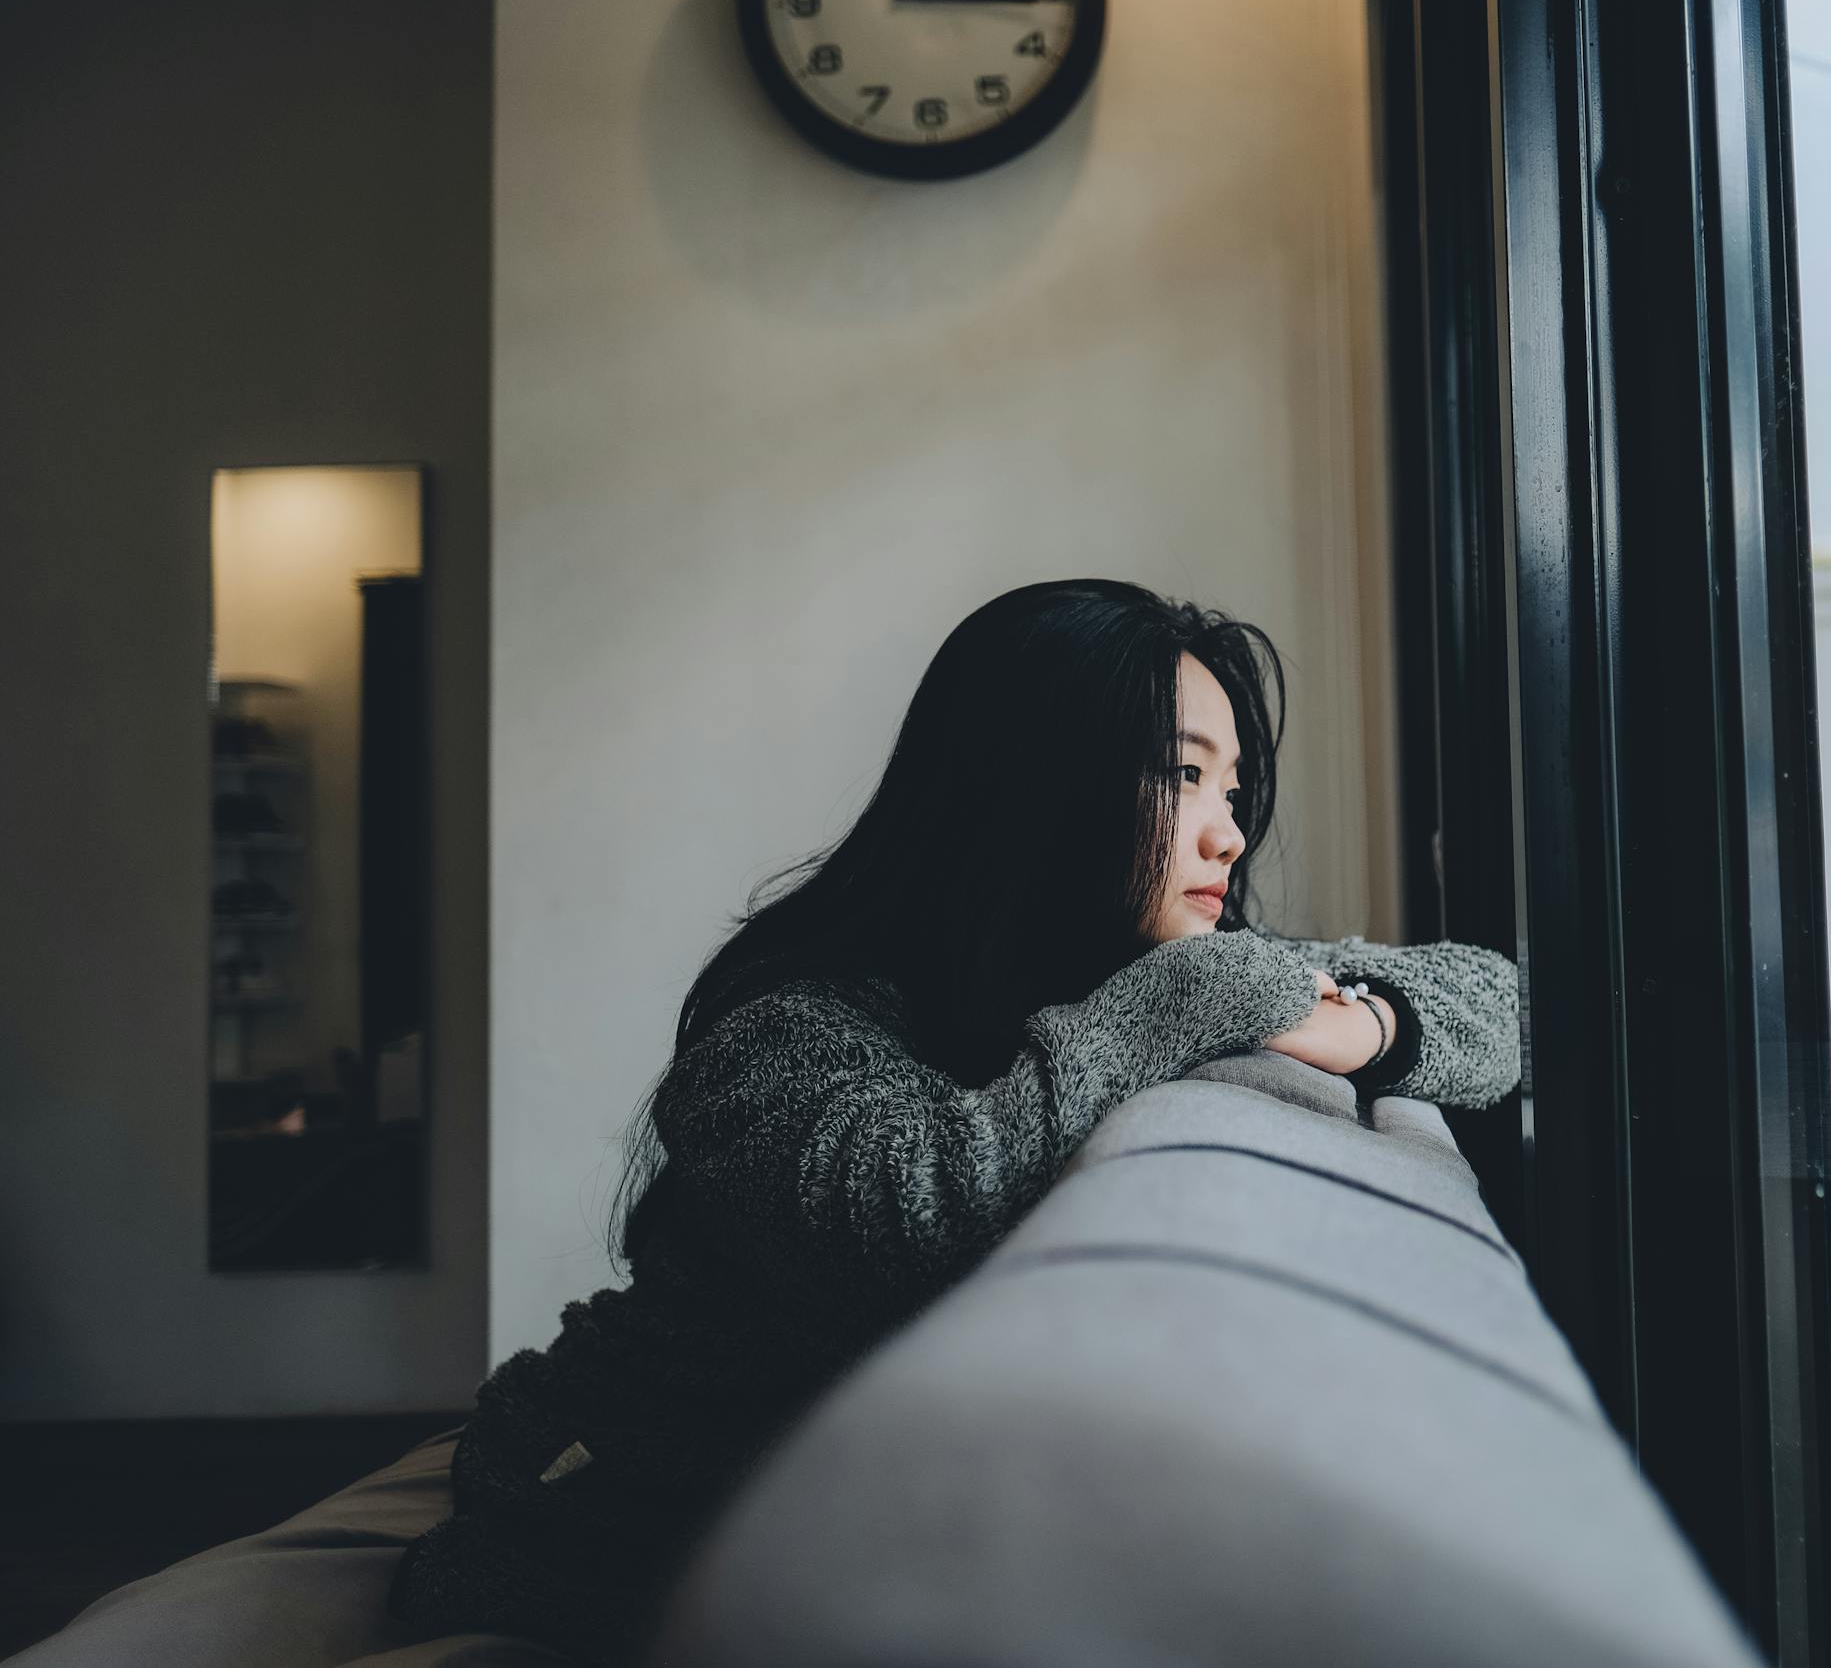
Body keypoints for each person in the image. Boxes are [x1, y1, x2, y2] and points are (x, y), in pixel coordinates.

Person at [388, 578, 1522, 1662]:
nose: (1228, 834)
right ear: (1035, 785)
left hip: (828, 1522)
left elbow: (1505, 1002)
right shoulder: (782, 1030)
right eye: (1183, 775)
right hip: (589, 1506)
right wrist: (1197, 997)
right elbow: (919, 1204)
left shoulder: (1137, 972)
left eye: (1234, 792)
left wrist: (1367, 1026)